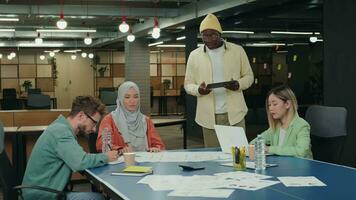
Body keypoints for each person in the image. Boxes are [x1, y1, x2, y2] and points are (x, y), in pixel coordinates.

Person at [22, 96, 119, 200]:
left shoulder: (61, 128)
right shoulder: (61, 132)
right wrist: (106, 157)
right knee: (98, 198)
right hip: (43, 195)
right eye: (94, 122)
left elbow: (79, 158)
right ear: (81, 116)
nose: (94, 129)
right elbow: (80, 162)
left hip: (45, 190)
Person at [184, 13, 254, 147]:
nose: (208, 39)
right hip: (208, 116)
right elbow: (188, 84)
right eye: (204, 35)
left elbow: (249, 76)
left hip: (234, 114)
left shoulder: (237, 51)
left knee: (238, 154)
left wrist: (238, 84)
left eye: (212, 35)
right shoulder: (194, 55)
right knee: (213, 156)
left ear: (220, 34)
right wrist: (198, 89)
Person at [96, 81, 165, 153]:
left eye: (135, 97)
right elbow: (102, 145)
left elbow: (159, 145)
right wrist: (119, 150)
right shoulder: (109, 120)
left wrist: (155, 148)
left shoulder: (146, 120)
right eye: (127, 97)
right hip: (121, 162)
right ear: (120, 99)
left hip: (146, 161)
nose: (132, 101)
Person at [251, 85, 312, 158]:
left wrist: (269, 149)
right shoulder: (275, 127)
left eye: (275, 104)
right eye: (269, 105)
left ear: (287, 104)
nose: (271, 108)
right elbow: (253, 143)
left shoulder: (302, 125)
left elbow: (301, 151)